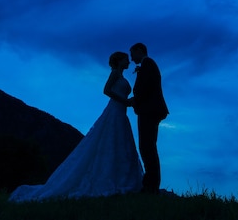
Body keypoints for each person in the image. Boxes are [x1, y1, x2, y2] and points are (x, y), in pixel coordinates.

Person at [9, 52, 143, 202]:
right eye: (126, 59)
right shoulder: (114, 74)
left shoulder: (121, 76)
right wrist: (125, 101)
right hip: (115, 110)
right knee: (110, 141)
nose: (128, 61)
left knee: (119, 144)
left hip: (120, 113)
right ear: (119, 61)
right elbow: (106, 90)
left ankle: (120, 177)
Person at [128, 42, 169, 194]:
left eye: (132, 55)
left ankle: (151, 185)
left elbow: (144, 88)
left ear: (140, 51)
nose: (132, 59)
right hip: (149, 110)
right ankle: (151, 183)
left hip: (149, 111)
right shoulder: (147, 65)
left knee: (147, 147)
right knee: (148, 147)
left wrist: (134, 100)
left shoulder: (148, 64)